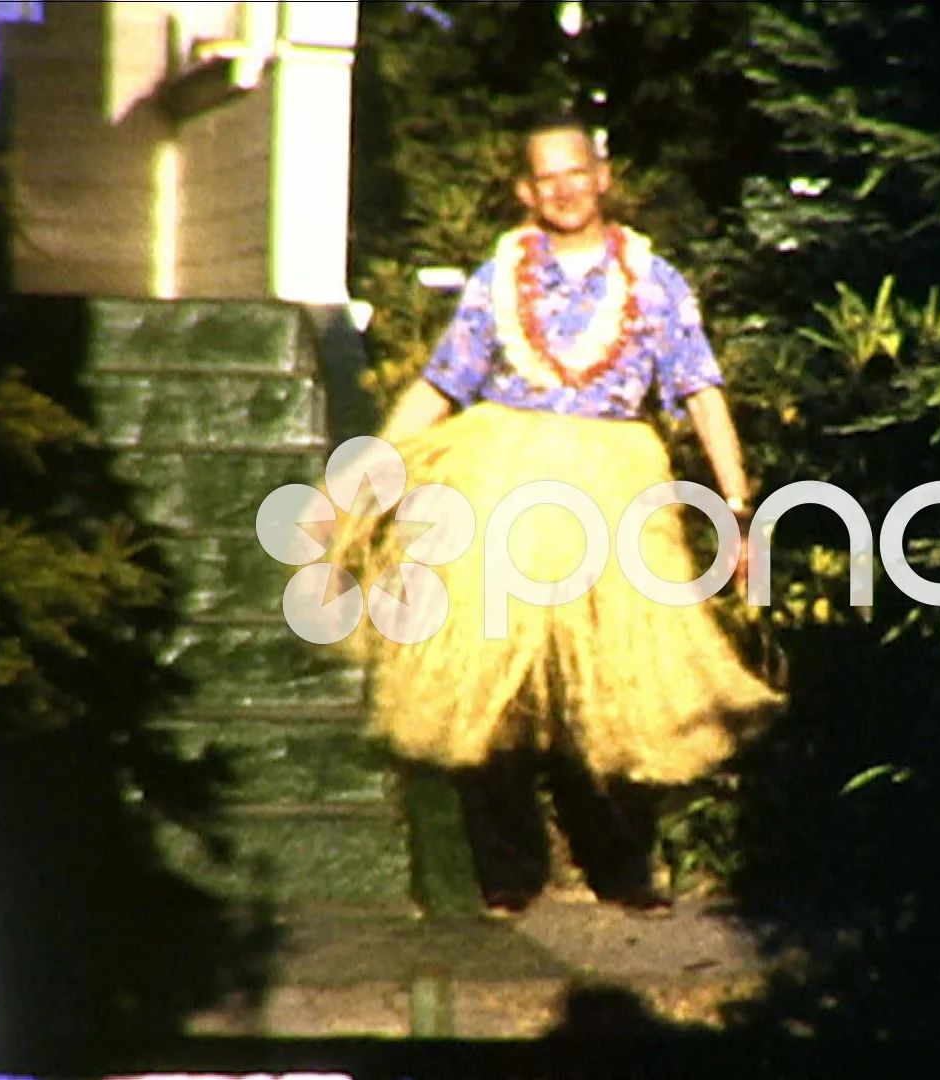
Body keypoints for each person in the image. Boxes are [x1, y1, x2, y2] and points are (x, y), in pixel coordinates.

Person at [324, 116, 784, 918]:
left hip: (615, 485)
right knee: (491, 678)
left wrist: (739, 506)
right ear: (526, 191)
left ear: (601, 177)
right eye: (548, 177)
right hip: (497, 476)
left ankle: (626, 869)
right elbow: (441, 386)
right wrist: (366, 473)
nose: (566, 189)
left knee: (617, 678)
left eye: (578, 172)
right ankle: (507, 870)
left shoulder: (655, 280)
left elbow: (701, 390)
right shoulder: (497, 278)